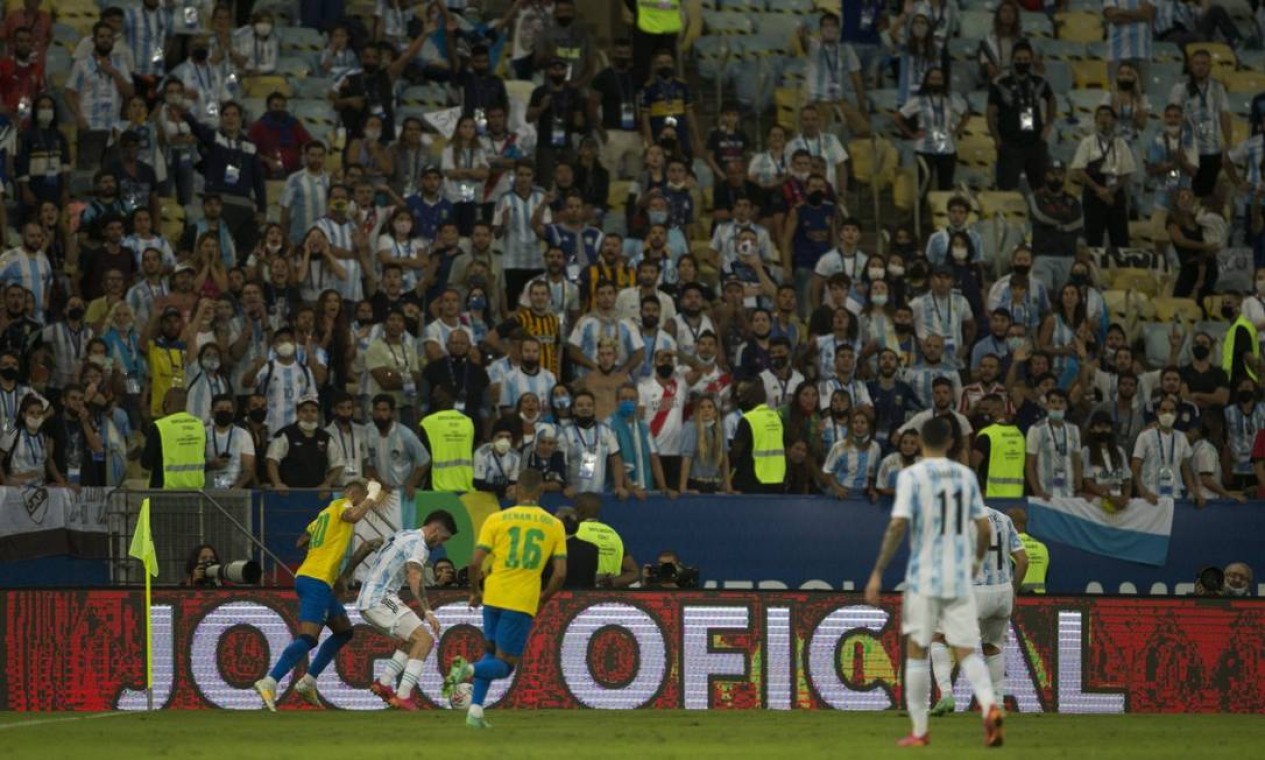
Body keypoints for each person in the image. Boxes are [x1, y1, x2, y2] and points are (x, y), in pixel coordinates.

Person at [864, 416, 1004, 748]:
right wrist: (975, 562)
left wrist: (878, 571)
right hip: (958, 573)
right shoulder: (966, 477)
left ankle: (920, 731)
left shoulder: (912, 475)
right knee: (967, 649)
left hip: (924, 573)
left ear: (923, 443)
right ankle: (990, 707)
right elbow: (984, 530)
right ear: (952, 443)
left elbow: (898, 527)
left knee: (917, 650)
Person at [442, 469, 565, 728]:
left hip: (493, 594)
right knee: (506, 665)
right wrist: (543, 598)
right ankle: (466, 670)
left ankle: (475, 713)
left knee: (490, 653)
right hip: (521, 600)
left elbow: (475, 562)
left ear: (516, 490)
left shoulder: (496, 519)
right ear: (541, 491)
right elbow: (560, 574)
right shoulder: (554, 524)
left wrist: (475, 591)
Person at [254, 479, 385, 711]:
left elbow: (301, 541)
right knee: (309, 638)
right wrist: (373, 495)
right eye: (363, 499)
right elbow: (353, 515)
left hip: (313, 578)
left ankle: (308, 682)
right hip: (316, 579)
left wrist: (321, 551)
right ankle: (270, 681)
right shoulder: (341, 505)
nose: (366, 504)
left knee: (344, 631)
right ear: (355, 495)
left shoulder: (323, 515)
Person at [929, 505, 1029, 716]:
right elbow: (1023, 560)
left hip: (973, 591)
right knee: (993, 647)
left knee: (938, 638)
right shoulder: (1003, 518)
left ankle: (946, 694)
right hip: (1002, 592)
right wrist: (1013, 590)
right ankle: (998, 704)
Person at [355, 510, 458, 710]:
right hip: (380, 599)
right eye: (442, 539)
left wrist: (345, 575)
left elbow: (368, 545)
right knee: (424, 640)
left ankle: (383, 683)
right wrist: (428, 611)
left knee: (413, 640)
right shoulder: (419, 545)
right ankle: (403, 696)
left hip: (370, 598)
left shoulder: (402, 534)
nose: (441, 544)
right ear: (435, 531)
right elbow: (414, 576)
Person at [986, 41, 1055, 192]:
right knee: (1006, 189)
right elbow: (990, 114)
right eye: (1018, 59)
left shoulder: (1039, 81)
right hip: (1010, 144)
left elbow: (1051, 99)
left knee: (1041, 188)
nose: (1022, 62)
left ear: (1031, 59)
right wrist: (997, 139)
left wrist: (1049, 124)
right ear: (1012, 59)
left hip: (1035, 143)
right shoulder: (1000, 83)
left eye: (1025, 59)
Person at [1070, 105, 1136, 249]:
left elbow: (1127, 172)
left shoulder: (1121, 143)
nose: (1103, 118)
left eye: (1107, 115)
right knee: (1093, 237)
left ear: (1114, 120)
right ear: (1095, 120)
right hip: (1094, 189)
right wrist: (1098, 189)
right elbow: (1079, 170)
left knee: (1120, 236)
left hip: (1115, 190)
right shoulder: (1087, 142)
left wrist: (1111, 191)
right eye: (1100, 115)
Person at [1131, 394, 1203, 506]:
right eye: (1163, 410)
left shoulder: (1181, 437)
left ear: (1176, 414)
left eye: (1171, 411)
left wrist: (1194, 492)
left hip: (1175, 497)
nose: (1167, 414)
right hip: (1151, 497)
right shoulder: (1145, 436)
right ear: (1157, 413)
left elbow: (1186, 470)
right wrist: (1143, 493)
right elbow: (1135, 469)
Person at [266, 393, 343, 491]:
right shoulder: (285, 435)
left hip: (316, 495)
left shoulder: (325, 437)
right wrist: (277, 483)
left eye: (313, 411)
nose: (309, 415)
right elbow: (272, 460)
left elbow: (338, 465)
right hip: (289, 494)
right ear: (297, 414)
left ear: (318, 415)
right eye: (304, 411)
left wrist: (327, 484)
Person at [141, 387, 205, 488]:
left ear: (166, 403)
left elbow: (146, 462)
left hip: (165, 490)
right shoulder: (199, 425)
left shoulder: (159, 426)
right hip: (194, 491)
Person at [573, 491, 640, 588]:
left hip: (581, 593)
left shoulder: (573, 531)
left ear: (577, 510)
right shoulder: (614, 534)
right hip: (610, 596)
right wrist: (612, 582)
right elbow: (634, 573)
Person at [729, 381, 785, 494]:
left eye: (742, 396)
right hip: (778, 478)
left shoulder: (748, 418)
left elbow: (736, 451)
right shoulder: (777, 416)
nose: (740, 400)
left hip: (754, 478)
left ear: (750, 399)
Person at [1024, 388, 1081, 500]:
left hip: (1069, 495)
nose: (1057, 406)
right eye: (1053, 402)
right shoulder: (1036, 429)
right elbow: (1030, 465)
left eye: (1061, 402)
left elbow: (1077, 462)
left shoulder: (1074, 429)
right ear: (1047, 405)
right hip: (1045, 495)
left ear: (1066, 406)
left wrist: (1078, 491)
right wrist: (1038, 493)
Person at [972, 394, 1026, 498]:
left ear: (997, 410)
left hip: (990, 496)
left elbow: (974, 466)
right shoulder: (1019, 434)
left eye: (985, 409)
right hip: (1016, 495)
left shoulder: (987, 434)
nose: (981, 413)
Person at [1007, 507, 1049, 594]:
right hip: (1041, 600)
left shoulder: (1009, 547)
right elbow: (1045, 576)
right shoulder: (1042, 547)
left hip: (1020, 598)